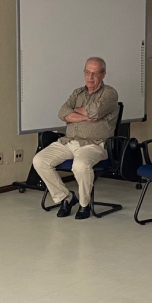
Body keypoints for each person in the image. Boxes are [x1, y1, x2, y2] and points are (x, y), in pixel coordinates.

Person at [32, 57, 119, 220]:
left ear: (103, 74)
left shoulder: (110, 94)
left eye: (95, 73)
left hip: (94, 144)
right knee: (39, 160)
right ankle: (66, 198)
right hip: (69, 141)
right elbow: (62, 113)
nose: (90, 77)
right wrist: (86, 116)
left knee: (80, 165)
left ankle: (84, 205)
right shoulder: (77, 92)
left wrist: (75, 114)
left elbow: (96, 112)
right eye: (87, 72)